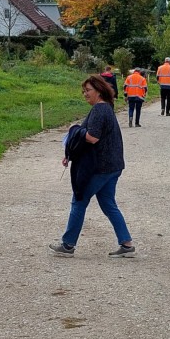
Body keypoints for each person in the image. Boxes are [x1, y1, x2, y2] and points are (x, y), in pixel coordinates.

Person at [49, 76, 135, 258]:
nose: (85, 94)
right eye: (84, 91)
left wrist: (74, 132)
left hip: (100, 168)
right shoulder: (107, 109)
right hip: (113, 166)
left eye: (88, 90)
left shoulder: (99, 109)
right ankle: (126, 244)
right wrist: (71, 152)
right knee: (108, 204)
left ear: (98, 90)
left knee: (79, 201)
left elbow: (92, 137)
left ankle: (68, 245)